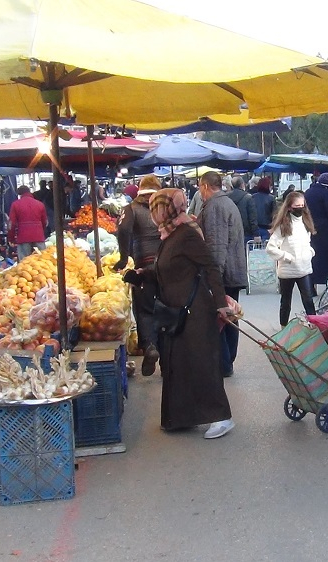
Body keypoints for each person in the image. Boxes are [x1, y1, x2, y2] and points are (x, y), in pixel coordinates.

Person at [133, 188, 234, 439]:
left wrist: (221, 303)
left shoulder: (187, 233)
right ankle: (180, 418)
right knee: (178, 365)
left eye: (155, 207)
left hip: (196, 312)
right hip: (175, 312)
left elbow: (210, 266)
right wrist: (141, 274)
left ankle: (221, 417)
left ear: (165, 209)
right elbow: (166, 269)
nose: (151, 213)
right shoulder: (170, 234)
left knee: (201, 364)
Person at [196, 171, 247, 377]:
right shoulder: (226, 203)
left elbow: (217, 246)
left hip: (223, 275)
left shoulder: (215, 206)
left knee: (222, 319)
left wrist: (213, 279)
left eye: (200, 187)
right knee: (231, 318)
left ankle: (224, 364)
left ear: (206, 186)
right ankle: (228, 361)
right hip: (232, 272)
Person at [116, 174, 162, 377]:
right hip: (167, 263)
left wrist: (124, 257)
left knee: (144, 309)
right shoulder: (165, 205)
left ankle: (150, 345)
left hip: (143, 263)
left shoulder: (131, 208)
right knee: (167, 308)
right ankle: (169, 359)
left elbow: (123, 229)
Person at [266, 192, 316, 326]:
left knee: (308, 300)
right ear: (289, 207)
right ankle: (284, 328)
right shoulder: (283, 225)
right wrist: (286, 257)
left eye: (302, 205)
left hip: (303, 268)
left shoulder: (305, 223)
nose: (300, 208)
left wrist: (310, 252)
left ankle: (316, 326)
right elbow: (270, 248)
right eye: (297, 206)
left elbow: (307, 242)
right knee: (285, 302)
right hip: (287, 270)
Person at [8, 185, 48, 261]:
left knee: (24, 263)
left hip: (23, 237)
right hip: (38, 236)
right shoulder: (40, 204)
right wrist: (41, 232)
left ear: (19, 194)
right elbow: (45, 222)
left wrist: (11, 238)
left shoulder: (15, 204)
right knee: (42, 261)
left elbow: (11, 224)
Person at [227, 175, 259, 242]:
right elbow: (252, 217)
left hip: (230, 231)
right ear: (242, 184)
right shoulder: (248, 198)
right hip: (246, 232)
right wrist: (256, 234)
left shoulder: (226, 197)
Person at [252, 176, 276, 242]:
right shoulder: (271, 198)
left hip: (254, 228)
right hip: (267, 228)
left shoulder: (252, 197)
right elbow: (274, 215)